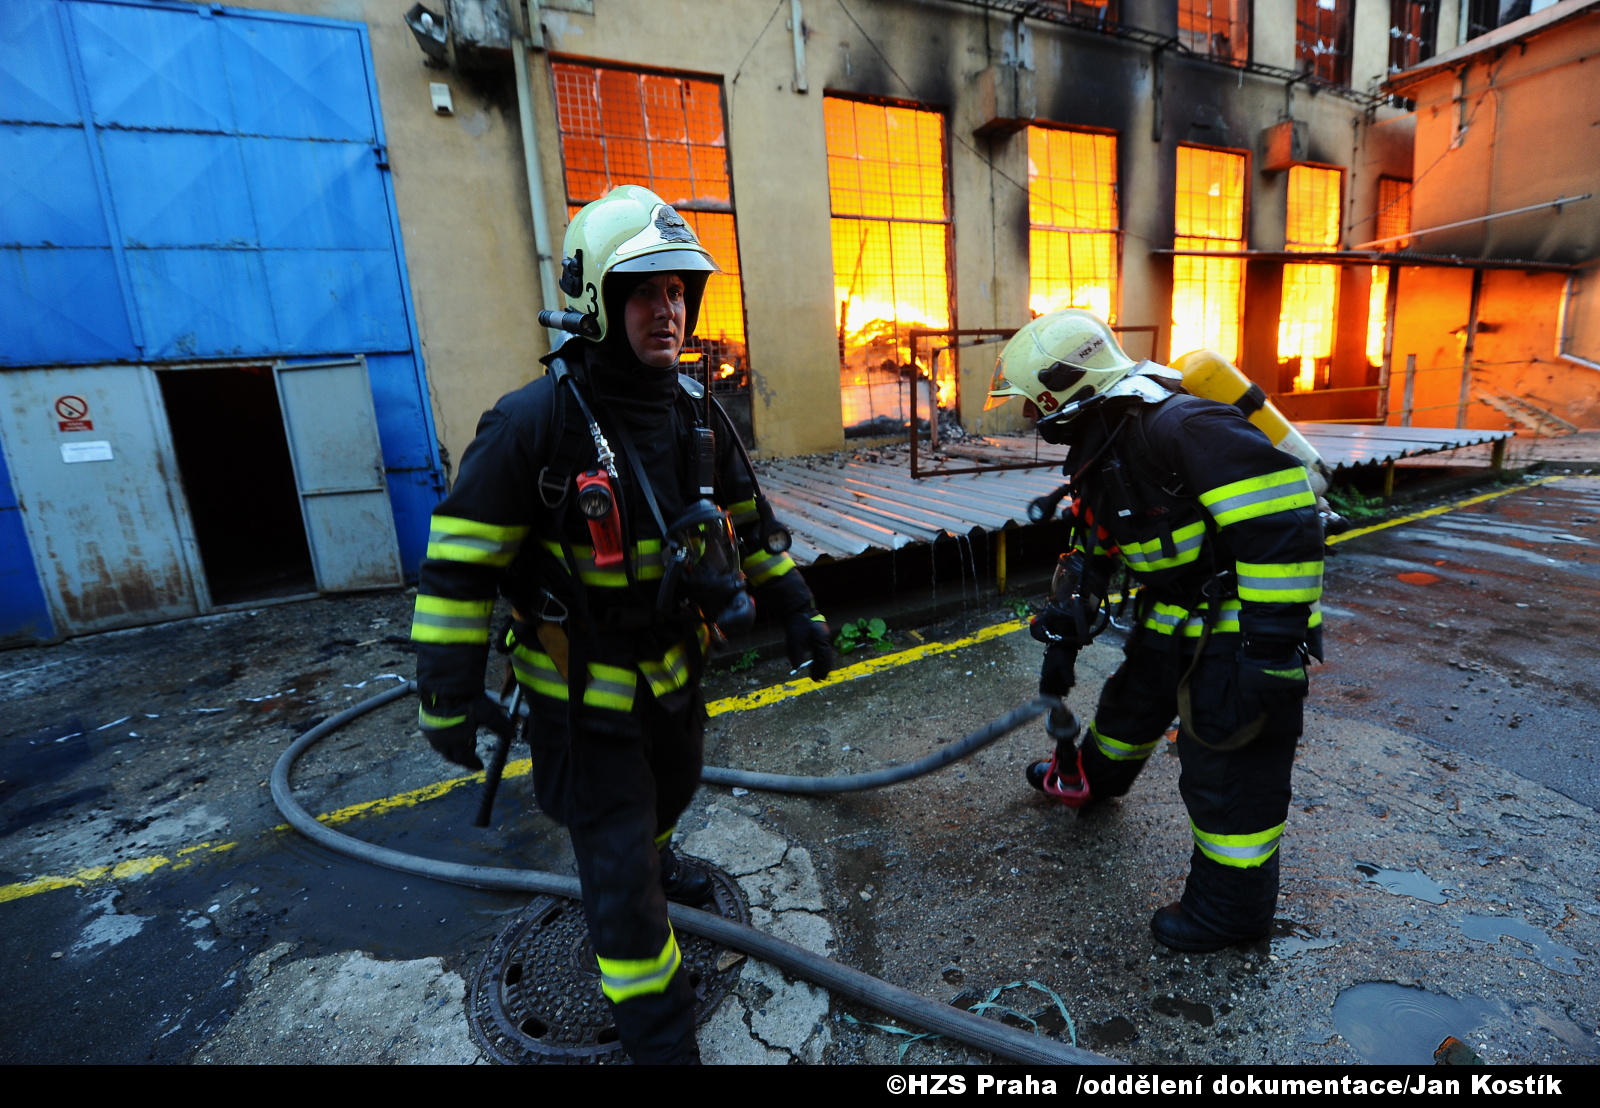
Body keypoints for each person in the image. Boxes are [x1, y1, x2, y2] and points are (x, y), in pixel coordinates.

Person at [409, 185, 833, 1063]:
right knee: (623, 891)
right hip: (580, 703)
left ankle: (660, 851)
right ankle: (660, 1042)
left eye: (679, 291)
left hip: (675, 680)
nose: (668, 310)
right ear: (596, 302)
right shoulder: (534, 424)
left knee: (670, 795)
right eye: (645, 290)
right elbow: (457, 570)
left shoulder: (697, 414)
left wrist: (798, 610)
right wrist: (446, 698)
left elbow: (750, 531)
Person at [985, 309, 1323, 953]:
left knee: (1229, 763)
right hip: (1177, 606)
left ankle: (1231, 913)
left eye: (1034, 405)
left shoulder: (1185, 424)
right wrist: (1068, 619)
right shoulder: (1107, 436)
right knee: (1131, 703)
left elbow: (1282, 526)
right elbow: (1095, 540)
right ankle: (1092, 779)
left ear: (1065, 390)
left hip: (1243, 618)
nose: (1032, 419)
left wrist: (1270, 654)